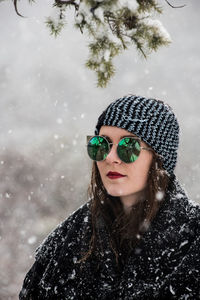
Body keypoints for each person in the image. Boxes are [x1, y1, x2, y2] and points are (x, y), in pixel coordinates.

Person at [19, 95, 200, 300]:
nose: (110, 157)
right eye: (101, 144)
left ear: (159, 158)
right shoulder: (64, 242)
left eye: (128, 147)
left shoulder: (193, 240)